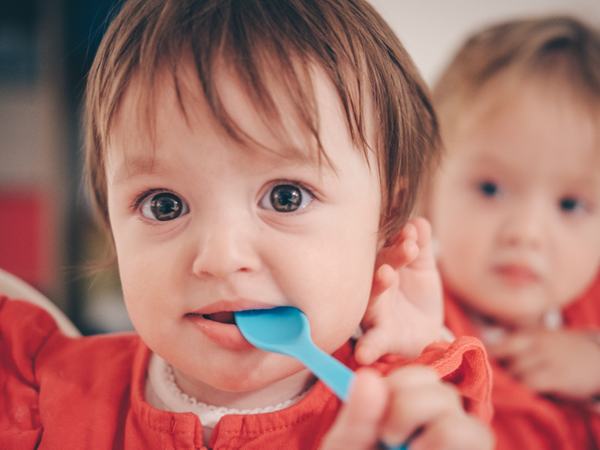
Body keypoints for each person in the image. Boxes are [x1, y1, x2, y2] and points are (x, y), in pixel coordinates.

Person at [0, 1, 494, 449]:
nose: (220, 257)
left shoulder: (409, 416)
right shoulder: (43, 390)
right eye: (164, 205)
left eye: (286, 197)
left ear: (387, 221)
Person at [423, 15, 600, 450]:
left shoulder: (591, 308)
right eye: (490, 188)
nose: (526, 233)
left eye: (571, 205)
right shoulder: (412, 320)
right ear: (426, 187)